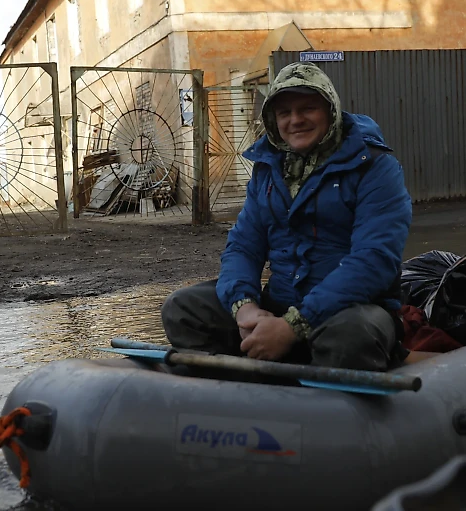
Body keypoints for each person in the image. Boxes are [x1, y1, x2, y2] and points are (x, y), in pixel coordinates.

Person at [162, 62, 413, 371]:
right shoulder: (269, 169)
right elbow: (243, 247)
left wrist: (295, 326)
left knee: (351, 337)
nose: (295, 120)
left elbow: (374, 259)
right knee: (183, 309)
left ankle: (318, 388)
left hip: (350, 310)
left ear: (330, 111)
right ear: (273, 119)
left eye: (308, 108)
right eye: (284, 113)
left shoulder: (375, 167)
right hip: (278, 306)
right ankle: (244, 389)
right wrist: (245, 309)